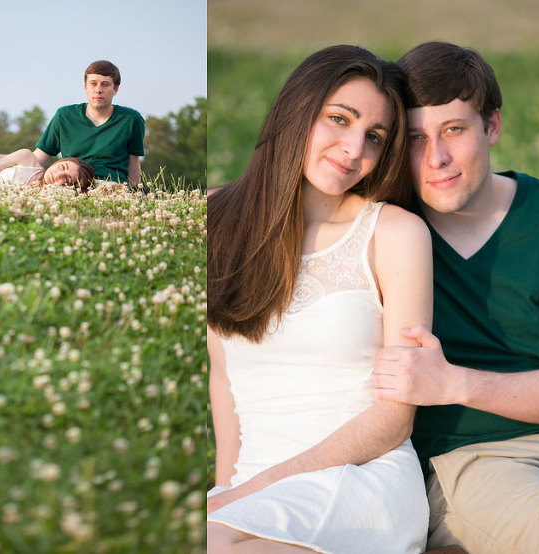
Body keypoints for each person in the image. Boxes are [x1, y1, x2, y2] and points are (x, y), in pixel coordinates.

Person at [207, 45, 433, 553]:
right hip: (249, 486)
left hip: (360, 480)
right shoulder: (214, 216)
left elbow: (396, 414)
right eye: (339, 119)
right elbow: (225, 380)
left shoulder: (394, 233)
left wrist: (253, 493)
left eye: (374, 137)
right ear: (298, 110)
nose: (355, 149)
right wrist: (227, 492)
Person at [373, 41, 539, 553]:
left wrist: (452, 382)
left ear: (491, 126)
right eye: (415, 137)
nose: (437, 158)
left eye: (454, 130)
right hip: (475, 464)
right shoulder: (387, 229)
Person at [0, 60, 145, 185]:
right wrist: (3, 159)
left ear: (115, 89)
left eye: (105, 84)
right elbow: (38, 158)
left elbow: (133, 163)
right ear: (85, 87)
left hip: (109, 186)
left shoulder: (131, 119)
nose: (98, 89)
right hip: (68, 184)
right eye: (93, 84)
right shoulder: (65, 116)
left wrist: (136, 194)